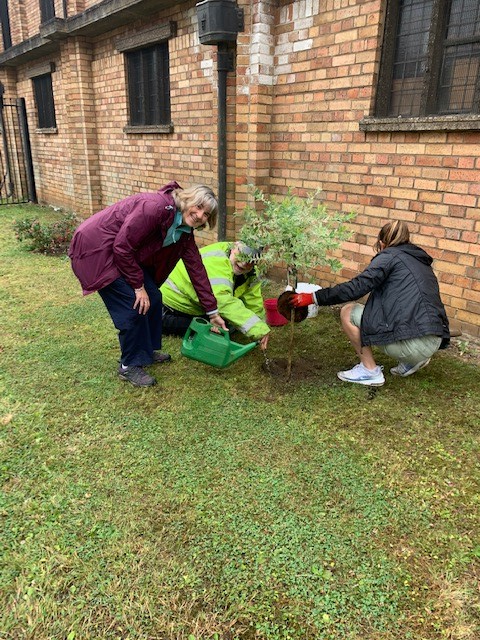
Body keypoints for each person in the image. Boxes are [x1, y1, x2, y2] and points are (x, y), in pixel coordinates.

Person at [68, 181, 227, 387]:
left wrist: (212, 312)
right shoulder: (155, 208)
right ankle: (129, 365)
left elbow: (197, 269)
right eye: (198, 207)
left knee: (154, 297)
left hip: (121, 254)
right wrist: (138, 286)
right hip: (96, 250)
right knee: (133, 305)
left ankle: (145, 351)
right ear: (188, 200)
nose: (199, 215)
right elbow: (122, 246)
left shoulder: (183, 231)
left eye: (206, 214)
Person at [290, 220, 450, 386]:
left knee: (348, 312)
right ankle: (413, 360)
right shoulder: (418, 260)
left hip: (415, 344)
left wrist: (314, 297)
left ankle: (370, 371)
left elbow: (357, 287)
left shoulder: (388, 257)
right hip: (434, 338)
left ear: (382, 243)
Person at [160, 241, 270, 350]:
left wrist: (260, 324)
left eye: (251, 260)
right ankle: (160, 320)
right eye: (243, 255)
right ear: (234, 247)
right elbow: (222, 301)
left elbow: (253, 300)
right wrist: (257, 329)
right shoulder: (216, 261)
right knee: (212, 331)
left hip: (199, 306)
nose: (244, 263)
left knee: (224, 326)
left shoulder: (251, 272)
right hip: (172, 303)